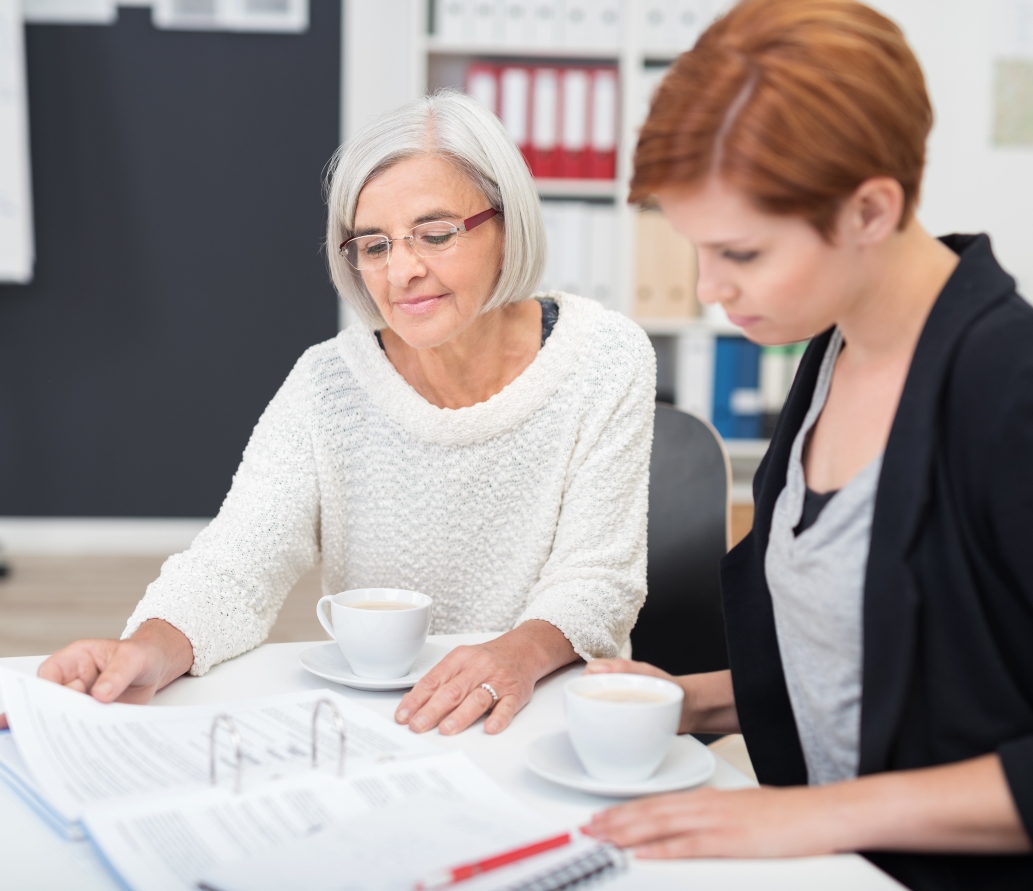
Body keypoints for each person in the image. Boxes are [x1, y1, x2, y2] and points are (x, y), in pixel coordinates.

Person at [580, 0, 1033, 889]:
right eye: (698, 251)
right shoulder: (832, 344)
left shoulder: (1031, 399)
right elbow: (873, 662)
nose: (712, 287)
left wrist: (806, 816)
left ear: (870, 210)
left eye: (742, 254)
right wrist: (686, 700)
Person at [10, 90, 655, 739]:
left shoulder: (603, 356)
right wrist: (145, 650)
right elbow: (239, 561)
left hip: (546, 708)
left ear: (508, 224)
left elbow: (597, 580)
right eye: (374, 245)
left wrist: (513, 656)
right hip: (391, 720)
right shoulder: (329, 382)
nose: (402, 270)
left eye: (434, 234)